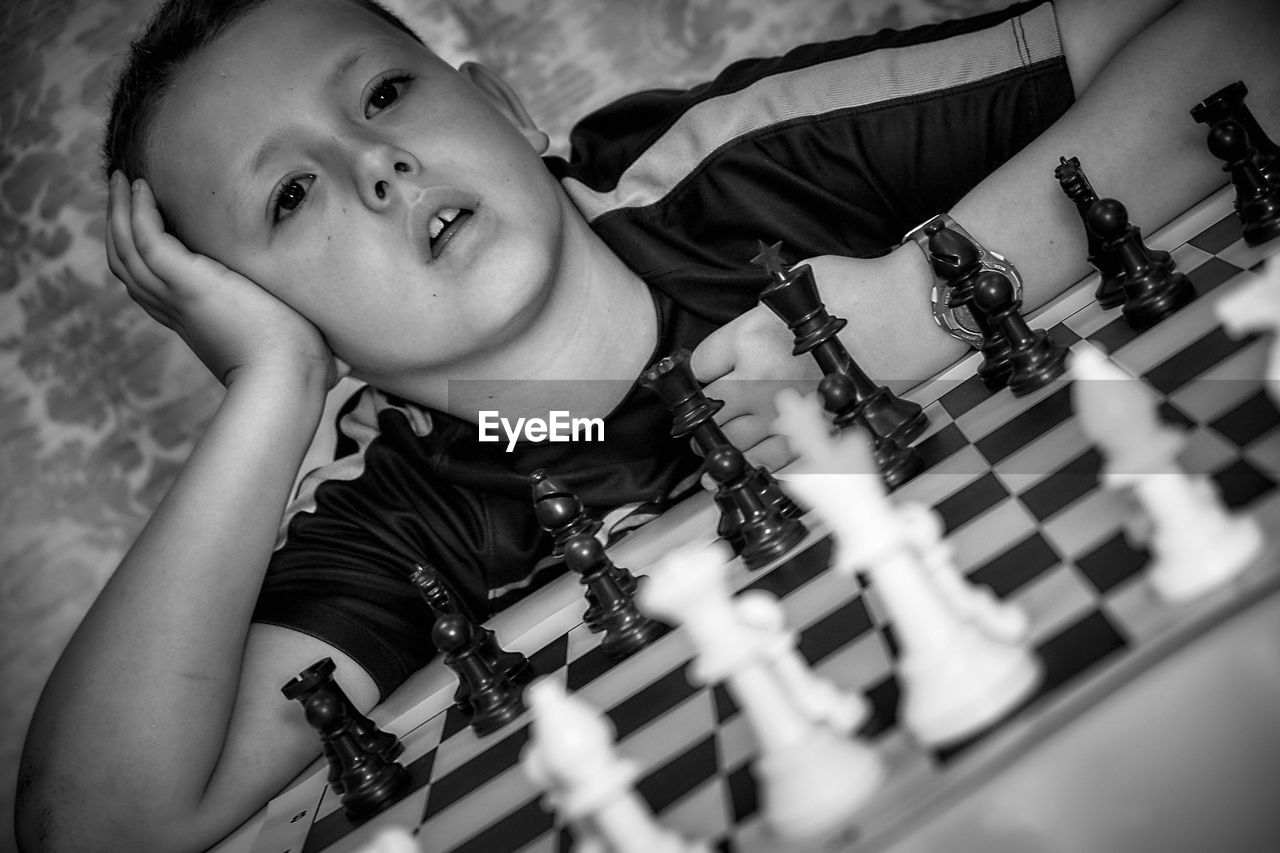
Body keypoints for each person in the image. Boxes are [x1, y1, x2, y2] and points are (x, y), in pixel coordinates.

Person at [16, 0, 1279, 849]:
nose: (374, 168)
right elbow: (102, 824)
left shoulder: (733, 164)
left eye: (385, 95)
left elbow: (1243, 34)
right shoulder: (407, 500)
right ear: (255, 305)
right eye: (290, 195)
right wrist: (272, 390)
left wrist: (926, 297)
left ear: (504, 108)